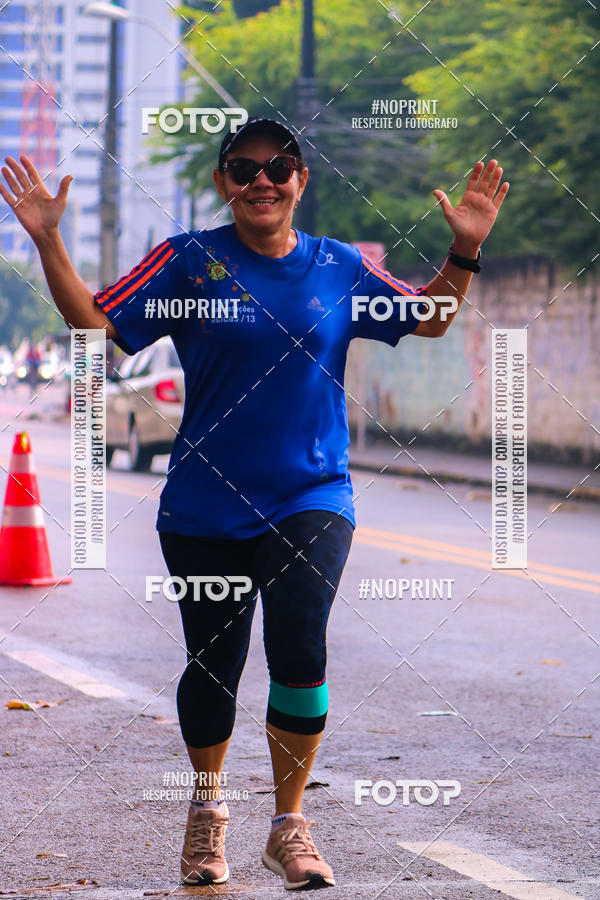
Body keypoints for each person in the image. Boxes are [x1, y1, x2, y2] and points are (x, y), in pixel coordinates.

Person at [0, 117, 508, 891]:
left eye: (279, 167)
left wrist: (464, 249)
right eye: (244, 169)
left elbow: (430, 317)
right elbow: (95, 328)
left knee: (300, 647)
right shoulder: (189, 263)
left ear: (302, 180)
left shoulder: (339, 266)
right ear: (222, 184)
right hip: (205, 505)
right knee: (215, 666)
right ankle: (208, 814)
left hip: (312, 494)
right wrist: (47, 240)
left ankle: (288, 825)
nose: (262, 181)